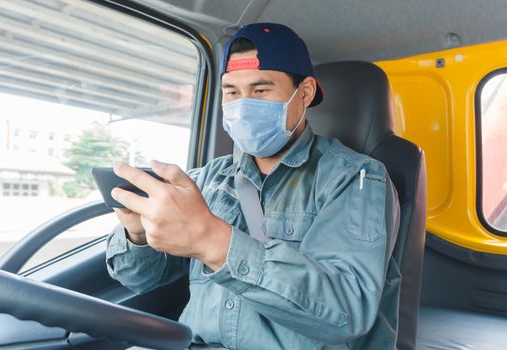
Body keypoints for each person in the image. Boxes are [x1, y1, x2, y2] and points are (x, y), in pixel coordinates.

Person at [106, 23, 400, 350]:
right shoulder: (206, 179)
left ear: (304, 93)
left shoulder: (355, 178)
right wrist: (138, 234)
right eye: (232, 92)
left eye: (261, 91)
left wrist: (213, 240)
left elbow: (347, 311)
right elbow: (141, 280)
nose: (243, 106)